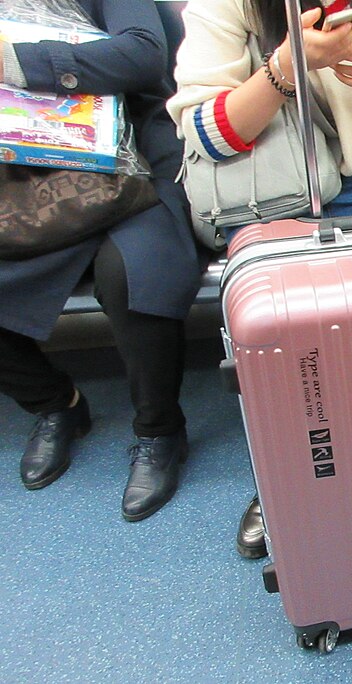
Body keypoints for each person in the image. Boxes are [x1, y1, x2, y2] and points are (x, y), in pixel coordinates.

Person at [167, 0, 352, 558]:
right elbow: (207, 135)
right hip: (272, 184)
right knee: (284, 348)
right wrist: (286, 67)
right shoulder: (228, 7)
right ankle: (286, 480)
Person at [0, 0, 202, 521]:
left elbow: (143, 55)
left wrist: (15, 62)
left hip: (130, 158)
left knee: (131, 273)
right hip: (20, 173)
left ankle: (160, 430)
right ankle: (55, 404)